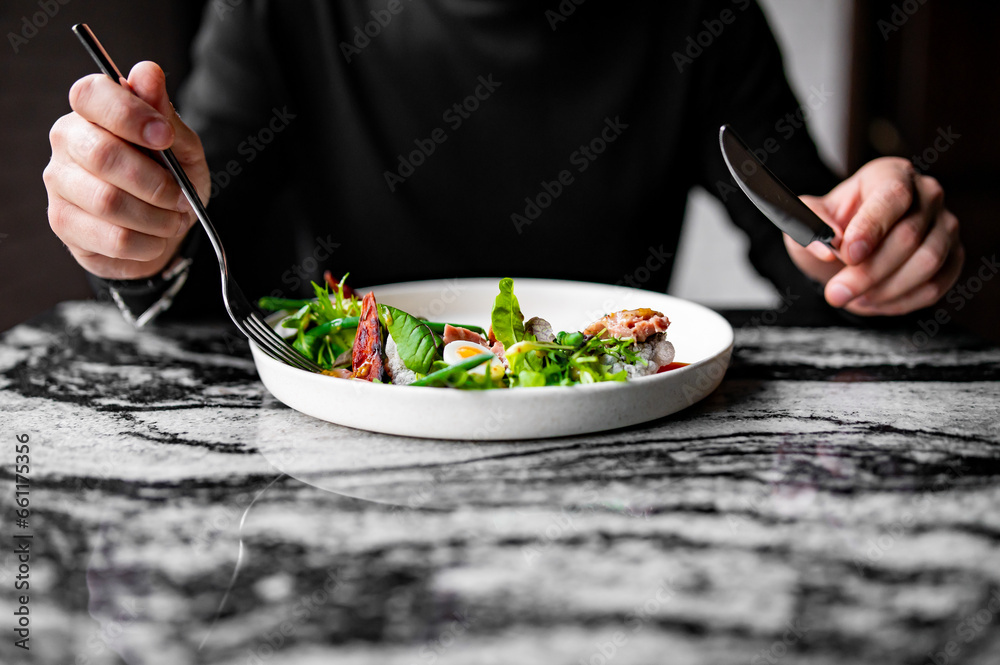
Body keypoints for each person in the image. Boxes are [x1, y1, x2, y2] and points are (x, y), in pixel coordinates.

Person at [43, 0, 963, 324]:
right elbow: (203, 269)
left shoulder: (696, 14)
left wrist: (871, 246)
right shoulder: (279, 8)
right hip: (326, 467)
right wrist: (138, 227)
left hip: (610, 465)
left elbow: (807, 243)